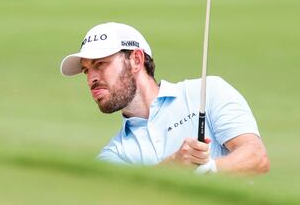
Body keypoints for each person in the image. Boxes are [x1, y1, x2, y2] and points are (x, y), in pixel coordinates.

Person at [60, 22, 269, 174]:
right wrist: (174, 166)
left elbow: (256, 158)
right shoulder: (114, 155)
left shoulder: (208, 90)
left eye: (100, 64)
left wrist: (209, 170)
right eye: (86, 71)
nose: (91, 79)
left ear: (136, 59)